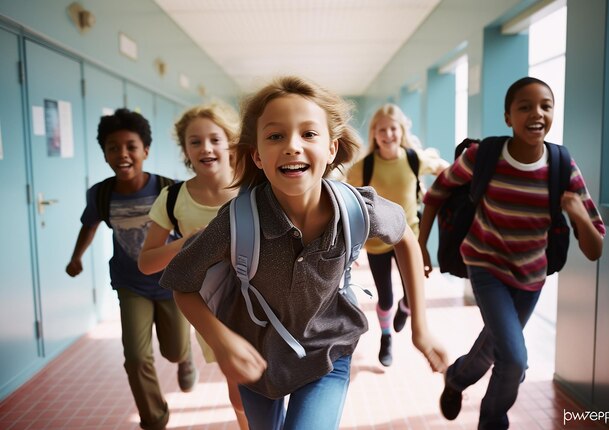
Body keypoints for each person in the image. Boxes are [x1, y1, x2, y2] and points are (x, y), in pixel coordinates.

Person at [160, 76, 448, 430]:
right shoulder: (235, 222)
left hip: (327, 352)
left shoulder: (359, 209)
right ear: (258, 156)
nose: (292, 146)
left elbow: (404, 237)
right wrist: (221, 342)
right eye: (275, 136)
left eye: (309, 134)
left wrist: (420, 326)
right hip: (256, 358)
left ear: (331, 148)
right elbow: (182, 283)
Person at [417, 77, 606, 429]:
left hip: (531, 276)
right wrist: (421, 246)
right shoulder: (483, 156)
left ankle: (457, 378)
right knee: (514, 359)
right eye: (525, 106)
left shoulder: (562, 167)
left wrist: (579, 213)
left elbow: (595, 249)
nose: (537, 113)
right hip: (485, 266)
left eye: (546, 106)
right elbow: (438, 192)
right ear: (508, 117)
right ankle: (493, 421)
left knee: (494, 346)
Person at [65, 108, 197, 430]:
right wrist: (76, 257)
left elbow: (190, 231)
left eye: (131, 147)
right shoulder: (102, 193)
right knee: (136, 358)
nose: (122, 154)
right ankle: (155, 419)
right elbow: (89, 226)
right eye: (113, 148)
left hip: (171, 282)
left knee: (173, 350)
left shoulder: (169, 190)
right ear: (105, 154)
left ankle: (184, 357)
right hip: (130, 284)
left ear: (145, 151)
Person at [137, 102, 248, 429]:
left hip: (266, 298)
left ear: (230, 142)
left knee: (276, 379)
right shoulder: (173, 198)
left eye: (215, 139)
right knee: (240, 390)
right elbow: (146, 262)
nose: (206, 148)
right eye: (195, 141)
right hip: (212, 307)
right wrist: (185, 244)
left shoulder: (256, 189)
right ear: (185, 150)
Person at [346, 103, 448, 367]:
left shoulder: (413, 158)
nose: (388, 134)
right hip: (377, 242)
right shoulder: (363, 167)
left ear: (401, 131)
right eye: (382, 130)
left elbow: (441, 167)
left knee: (412, 298)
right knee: (386, 297)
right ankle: (386, 335)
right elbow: (348, 202)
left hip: (409, 240)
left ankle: (405, 310)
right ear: (374, 133)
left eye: (393, 128)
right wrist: (351, 245)